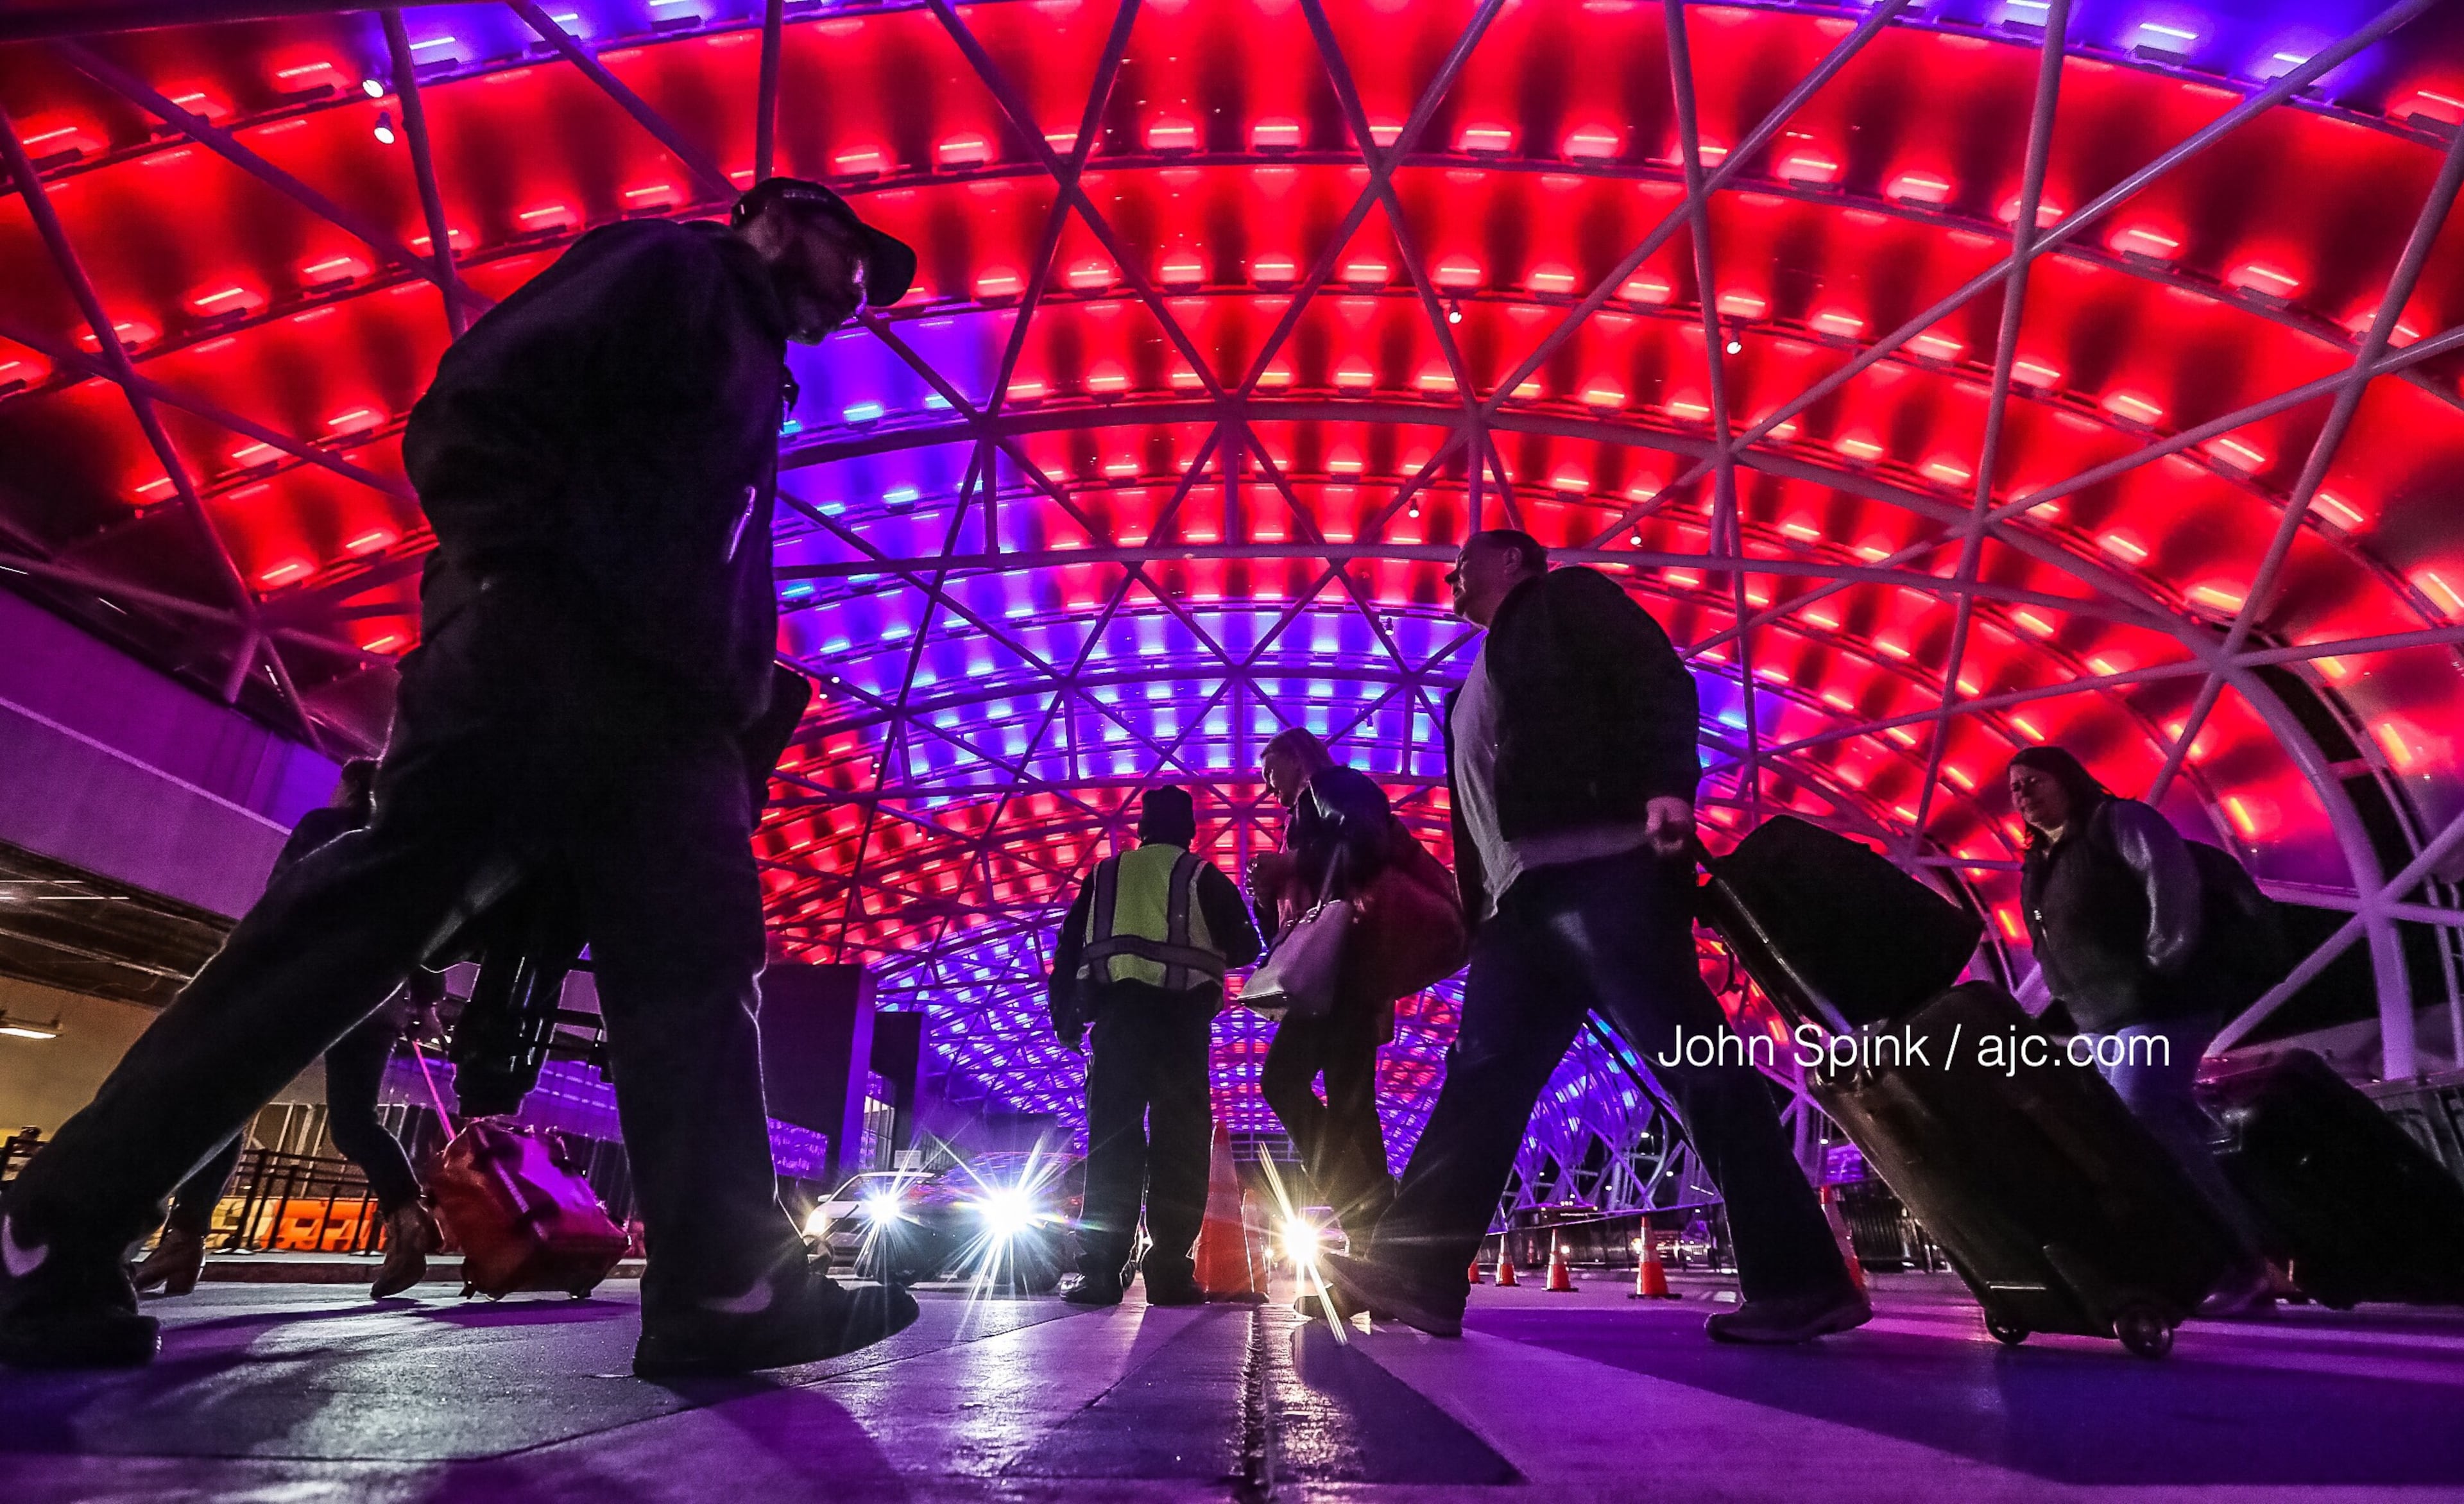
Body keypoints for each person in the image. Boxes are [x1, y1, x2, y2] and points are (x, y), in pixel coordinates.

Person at [0, 177, 923, 1376]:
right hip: (558, 664)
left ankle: (725, 1283)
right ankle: (54, 1225)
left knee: (688, 962)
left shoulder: (749, 360)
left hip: (657, 701)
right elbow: (475, 406)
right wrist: (521, 589)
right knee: (358, 931)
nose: (862, 293)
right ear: (780, 216)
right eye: (857, 259)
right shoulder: (671, 270)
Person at [1321, 530, 1867, 1343]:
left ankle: (1802, 1281)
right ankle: (1415, 1273)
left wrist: (1669, 787)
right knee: (1479, 1083)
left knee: (1695, 1067)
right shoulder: (1469, 682)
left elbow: (1655, 679)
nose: (1451, 576)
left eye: (1465, 561)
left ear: (1515, 559)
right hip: (1519, 907)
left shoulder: (1567, 600)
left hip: (1603, 867)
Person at [131, 760, 445, 1303]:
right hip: (378, 997)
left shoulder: (325, 826)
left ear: (350, 787)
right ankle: (408, 1218)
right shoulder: (407, 844)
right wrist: (425, 1002)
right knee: (354, 1123)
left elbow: (286, 895)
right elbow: (427, 930)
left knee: (227, 1103)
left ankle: (184, 1236)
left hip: (312, 983)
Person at [2007, 744, 2277, 1315]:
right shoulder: (2040, 863)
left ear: (2067, 779)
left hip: (2159, 1004)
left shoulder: (2119, 822)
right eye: (2015, 788)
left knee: (2143, 1112)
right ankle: (2211, 1255)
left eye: (2033, 780)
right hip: (2098, 1017)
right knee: (2141, 1132)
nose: (2022, 794)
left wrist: (2161, 961)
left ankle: (2243, 1264)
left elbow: (2170, 884)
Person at [1048, 787, 1260, 1306]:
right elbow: (1246, 946)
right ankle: (1169, 1274)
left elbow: (1068, 947)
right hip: (1181, 1026)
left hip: (1117, 1022)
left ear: (1140, 830)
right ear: (1190, 831)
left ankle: (1101, 1273)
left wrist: (1064, 1017)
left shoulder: (1105, 875)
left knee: (1113, 1142)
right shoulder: (1202, 875)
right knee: (1179, 1145)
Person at [1247, 728, 1403, 1313]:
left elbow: (1367, 841)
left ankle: (1371, 1219)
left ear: (1296, 757)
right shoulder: (1305, 816)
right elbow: (1289, 927)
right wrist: (1269, 894)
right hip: (1344, 972)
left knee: (1285, 1083)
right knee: (1353, 1110)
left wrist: (1293, 860)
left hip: (1345, 969)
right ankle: (1379, 1264)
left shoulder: (1333, 786)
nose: (1271, 791)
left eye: (1272, 775)